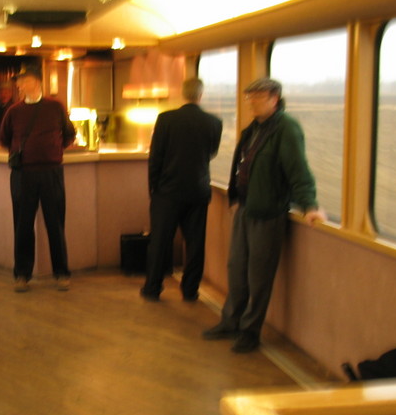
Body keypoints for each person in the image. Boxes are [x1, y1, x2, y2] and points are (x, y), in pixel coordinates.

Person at [202, 77, 326, 353]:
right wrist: (236, 196)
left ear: (274, 99)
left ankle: (250, 331)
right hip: (246, 209)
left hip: (269, 213)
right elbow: (242, 165)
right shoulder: (252, 130)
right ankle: (230, 321)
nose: (251, 102)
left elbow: (299, 170)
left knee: (259, 276)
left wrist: (310, 205)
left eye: (257, 97)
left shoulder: (286, 129)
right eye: (249, 98)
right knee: (236, 269)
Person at [140, 78, 222, 302]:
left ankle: (153, 287)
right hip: (197, 190)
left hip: (167, 191)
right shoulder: (214, 123)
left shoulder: (166, 119)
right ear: (200, 95)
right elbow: (210, 153)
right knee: (195, 243)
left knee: (160, 241)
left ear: (183, 95)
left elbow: (155, 158)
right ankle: (190, 290)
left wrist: (153, 189)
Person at [0, 63, 76, 292]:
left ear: (37, 82)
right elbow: (4, 139)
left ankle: (61, 273)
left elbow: (69, 134)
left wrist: (52, 151)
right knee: (22, 225)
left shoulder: (55, 107)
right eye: (19, 81)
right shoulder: (13, 111)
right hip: (23, 174)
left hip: (51, 172)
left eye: (23, 80)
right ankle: (22, 274)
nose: (20, 85)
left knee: (56, 224)